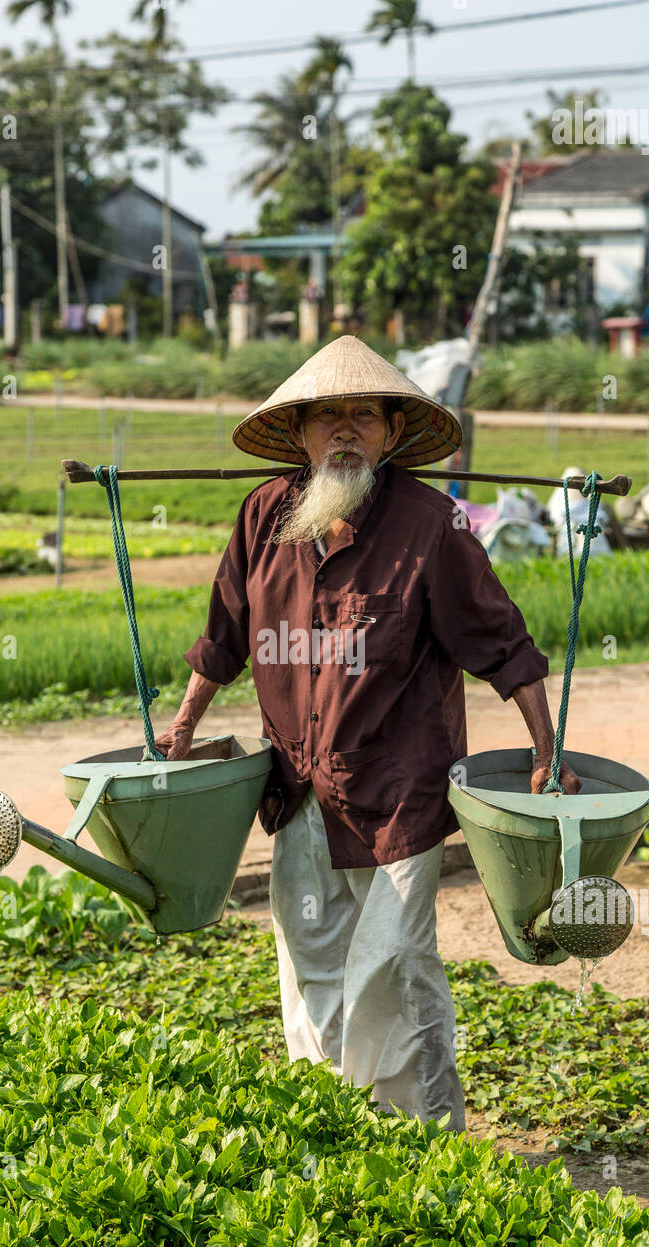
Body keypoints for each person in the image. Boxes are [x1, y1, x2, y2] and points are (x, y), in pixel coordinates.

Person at [155, 335, 581, 1134]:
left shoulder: (432, 524)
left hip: (398, 791)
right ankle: (332, 1128)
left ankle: (421, 1138)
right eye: (327, 417)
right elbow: (224, 634)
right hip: (299, 789)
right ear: (302, 434)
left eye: (363, 416)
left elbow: (501, 642)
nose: (344, 431)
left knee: (389, 964)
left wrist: (546, 748)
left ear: (390, 433)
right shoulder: (264, 515)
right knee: (310, 958)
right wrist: (183, 725)